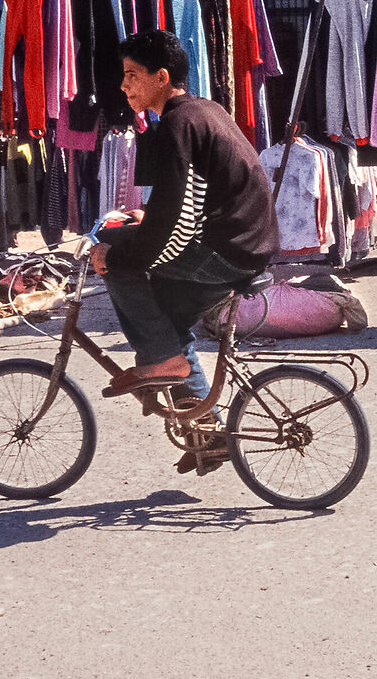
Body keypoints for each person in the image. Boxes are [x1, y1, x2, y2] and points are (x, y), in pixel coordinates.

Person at [91, 28, 278, 402]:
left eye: (132, 75)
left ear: (161, 77)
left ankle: (163, 360)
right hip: (247, 244)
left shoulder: (179, 124)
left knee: (114, 255)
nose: (123, 85)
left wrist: (119, 257)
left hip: (227, 250)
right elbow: (188, 197)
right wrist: (146, 217)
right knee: (166, 323)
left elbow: (175, 221)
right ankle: (202, 424)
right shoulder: (204, 110)